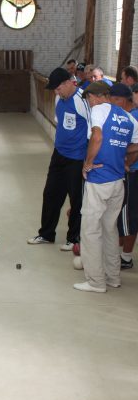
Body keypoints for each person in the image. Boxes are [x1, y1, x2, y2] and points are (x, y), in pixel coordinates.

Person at [74, 81, 138, 292]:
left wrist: (88, 162)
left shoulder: (100, 109)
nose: (90, 104)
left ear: (94, 97)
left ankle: (96, 282)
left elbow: (98, 136)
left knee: (90, 230)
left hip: (99, 179)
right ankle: (113, 277)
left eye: (89, 100)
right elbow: (135, 146)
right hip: (118, 182)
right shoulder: (129, 118)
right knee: (110, 230)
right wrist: (125, 162)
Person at [27, 68, 91, 250]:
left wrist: (88, 159)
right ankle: (46, 234)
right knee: (51, 194)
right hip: (59, 154)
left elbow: (93, 130)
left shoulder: (81, 100)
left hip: (77, 158)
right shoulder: (59, 98)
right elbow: (61, 123)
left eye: (58, 88)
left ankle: (74, 239)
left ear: (69, 83)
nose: (55, 92)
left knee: (76, 199)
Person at [108, 83, 138, 270]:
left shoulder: (131, 117)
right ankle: (119, 254)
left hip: (132, 172)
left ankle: (125, 257)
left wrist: (125, 163)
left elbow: (135, 147)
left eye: (113, 100)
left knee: (127, 217)